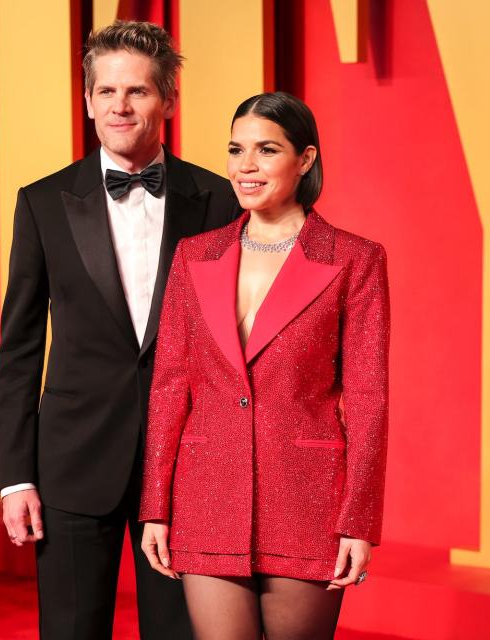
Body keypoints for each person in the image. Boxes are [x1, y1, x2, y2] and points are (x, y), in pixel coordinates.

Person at [0, 21, 240, 639]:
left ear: (169, 100)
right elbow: (20, 348)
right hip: (72, 464)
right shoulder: (43, 203)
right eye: (106, 92)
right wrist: (16, 476)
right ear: (87, 102)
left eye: (137, 92)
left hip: (187, 467)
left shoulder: (219, 201)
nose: (120, 107)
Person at [138, 91, 390, 639]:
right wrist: (155, 506)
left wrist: (359, 521)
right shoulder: (194, 255)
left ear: (305, 160)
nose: (245, 167)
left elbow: (369, 400)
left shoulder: (355, 259)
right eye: (236, 149)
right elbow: (169, 388)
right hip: (205, 493)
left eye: (266, 150)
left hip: (307, 499)